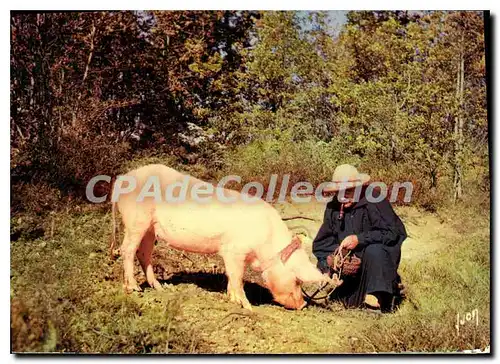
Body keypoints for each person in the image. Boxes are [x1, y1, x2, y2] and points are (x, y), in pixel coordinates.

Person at [312, 164, 407, 312]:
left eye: (348, 191)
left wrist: (360, 239)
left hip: (376, 264)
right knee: (345, 302)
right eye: (339, 192)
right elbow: (322, 244)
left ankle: (379, 295)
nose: (343, 197)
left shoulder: (375, 200)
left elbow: (395, 233)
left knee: (374, 250)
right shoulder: (333, 208)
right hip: (352, 271)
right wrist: (329, 266)